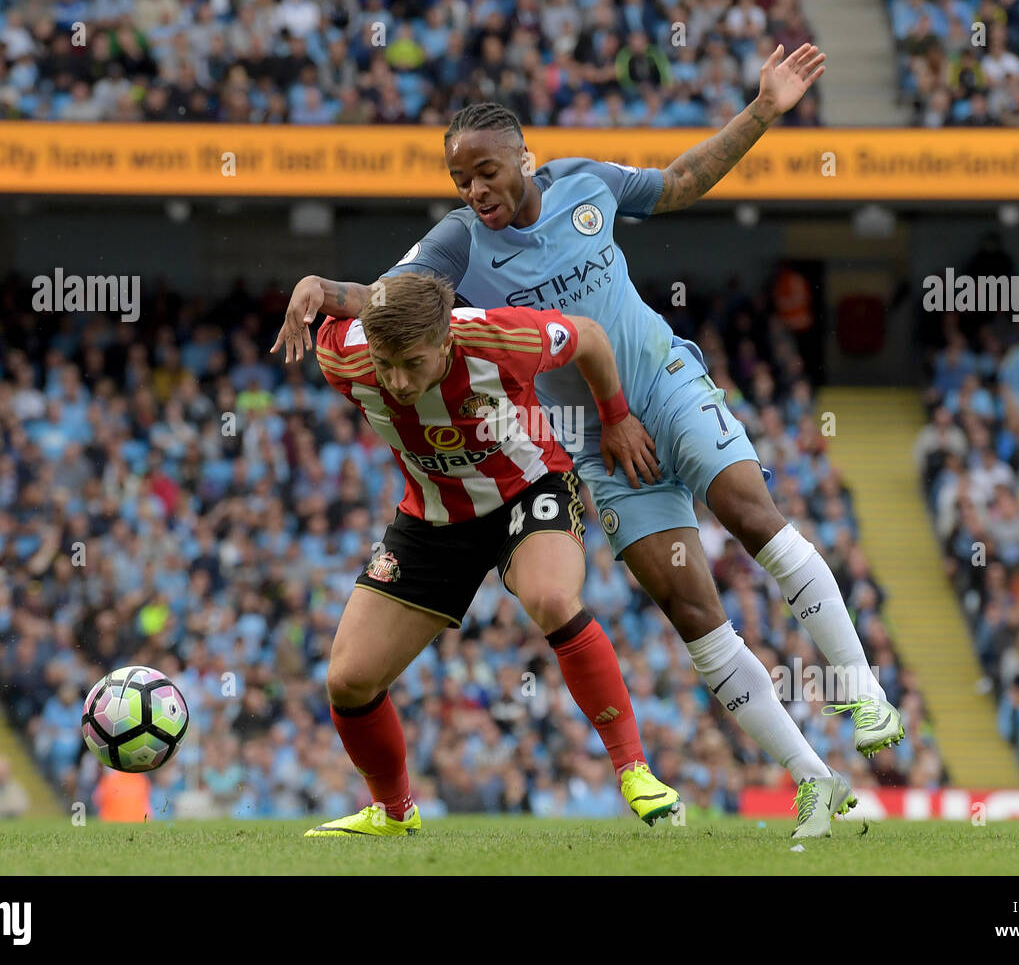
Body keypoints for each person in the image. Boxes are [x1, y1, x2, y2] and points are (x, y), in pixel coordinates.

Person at [275, 45, 893, 837]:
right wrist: (325, 291)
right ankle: (813, 777)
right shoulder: (458, 243)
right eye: (462, 180)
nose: (476, 190)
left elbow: (680, 183)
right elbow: (393, 302)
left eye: (488, 172)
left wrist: (765, 109)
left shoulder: (584, 185)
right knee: (692, 609)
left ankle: (862, 691)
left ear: (524, 157)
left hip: (661, 387)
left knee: (746, 509)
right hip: (597, 444)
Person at [303, 271, 678, 837]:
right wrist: (314, 285)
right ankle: (395, 812)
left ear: (447, 339)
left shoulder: (505, 338)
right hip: (432, 519)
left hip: (529, 490)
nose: (399, 381)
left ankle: (634, 770)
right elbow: (339, 304)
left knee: (552, 597)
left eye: (414, 362)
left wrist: (616, 416)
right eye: (387, 364)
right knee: (348, 681)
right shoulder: (345, 357)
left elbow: (593, 338)